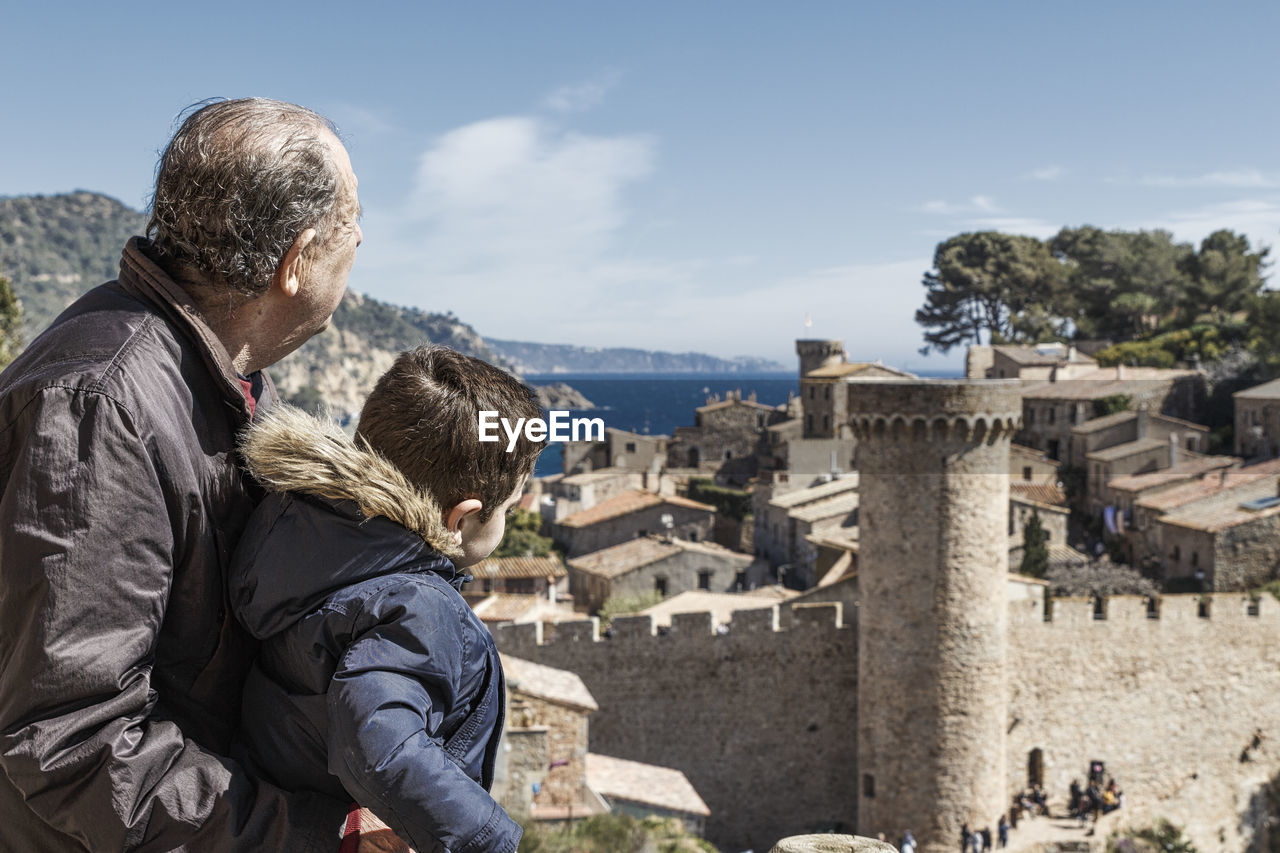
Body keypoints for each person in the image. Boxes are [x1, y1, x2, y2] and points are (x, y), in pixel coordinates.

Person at [0, 98, 375, 849]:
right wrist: (310, 836)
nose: (361, 240)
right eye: (354, 223)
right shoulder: (100, 406)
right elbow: (71, 743)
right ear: (296, 261)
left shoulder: (217, 377)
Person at [229, 345, 538, 852]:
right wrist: (485, 839)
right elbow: (377, 740)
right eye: (508, 506)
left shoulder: (296, 527)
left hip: (287, 807)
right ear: (460, 521)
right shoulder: (418, 606)